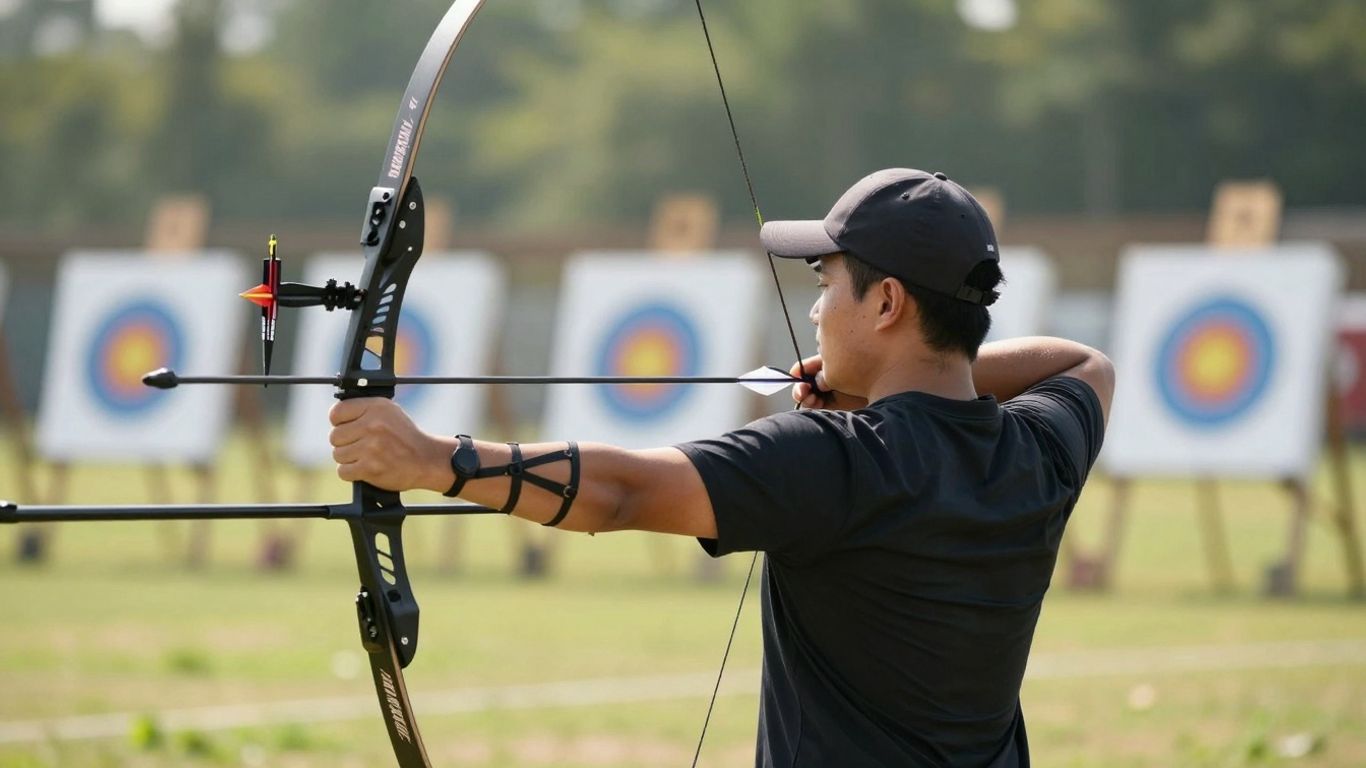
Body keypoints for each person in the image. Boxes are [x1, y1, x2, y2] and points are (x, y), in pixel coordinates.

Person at [328, 168, 1114, 767]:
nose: (814, 309)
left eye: (827, 283)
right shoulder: (1040, 451)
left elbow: (625, 490)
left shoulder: (834, 461)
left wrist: (433, 459)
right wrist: (885, 384)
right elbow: (1086, 364)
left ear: (887, 304)